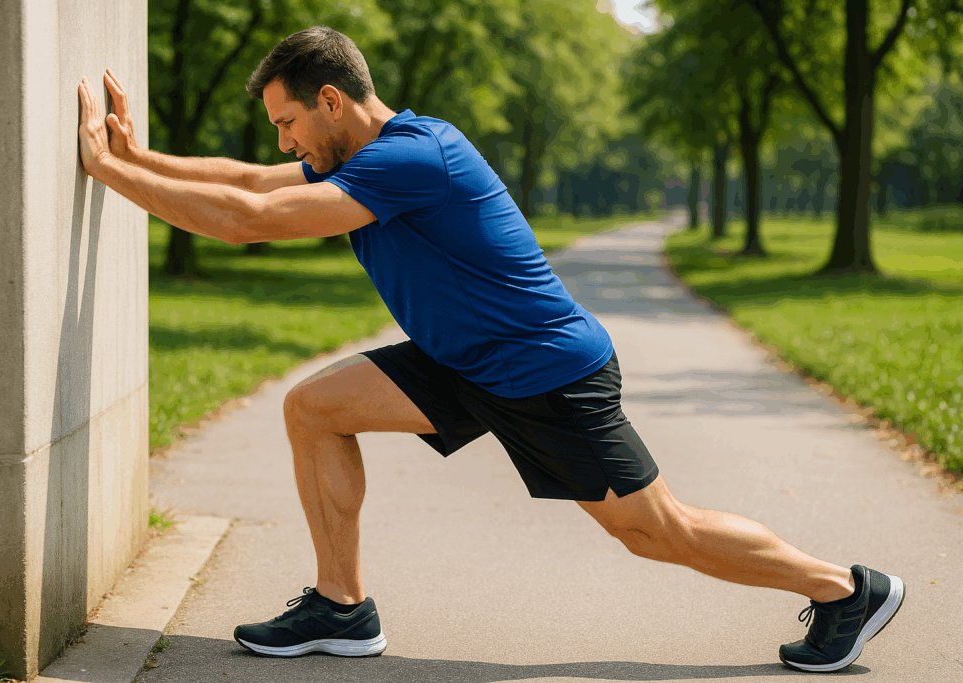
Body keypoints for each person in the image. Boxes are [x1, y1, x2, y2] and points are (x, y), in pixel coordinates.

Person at [77, 26, 904, 673]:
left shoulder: (408, 158)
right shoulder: (365, 153)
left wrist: (107, 174)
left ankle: (845, 589)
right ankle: (341, 604)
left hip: (546, 372)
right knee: (314, 408)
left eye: (289, 122)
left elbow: (244, 221)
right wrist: (138, 155)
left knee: (659, 531)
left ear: (331, 100)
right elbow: (253, 182)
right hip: (465, 360)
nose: (287, 143)